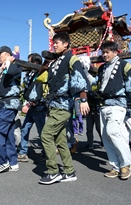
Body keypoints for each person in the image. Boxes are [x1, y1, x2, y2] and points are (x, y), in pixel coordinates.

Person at [39, 33, 90, 185]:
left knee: (46, 135)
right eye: (54, 43)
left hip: (63, 106)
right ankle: (69, 171)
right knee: (61, 141)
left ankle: (53, 172)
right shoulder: (55, 62)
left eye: (58, 42)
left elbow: (79, 78)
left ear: (66, 44)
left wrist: (83, 99)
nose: (54, 45)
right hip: (54, 106)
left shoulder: (72, 59)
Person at [96, 41, 131, 180]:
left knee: (113, 132)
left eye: (107, 52)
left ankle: (126, 164)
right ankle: (115, 166)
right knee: (106, 136)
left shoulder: (124, 65)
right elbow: (97, 85)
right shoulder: (102, 68)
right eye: (103, 52)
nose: (104, 55)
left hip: (118, 104)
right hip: (104, 105)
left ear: (115, 52)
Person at [0, 45, 22, 174]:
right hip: (4, 104)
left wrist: (9, 62)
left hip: (9, 104)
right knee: (8, 134)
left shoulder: (15, 65)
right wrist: (2, 67)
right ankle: (13, 162)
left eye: (0, 54)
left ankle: (1, 162)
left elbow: (13, 72)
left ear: (7, 54)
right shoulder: (4, 67)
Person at [17, 53, 47, 163]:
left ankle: (46, 154)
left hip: (38, 107)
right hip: (31, 108)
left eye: (30, 61)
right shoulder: (30, 74)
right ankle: (23, 152)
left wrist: (28, 104)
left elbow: (37, 93)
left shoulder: (40, 74)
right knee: (24, 130)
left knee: (42, 133)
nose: (28, 63)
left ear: (35, 62)